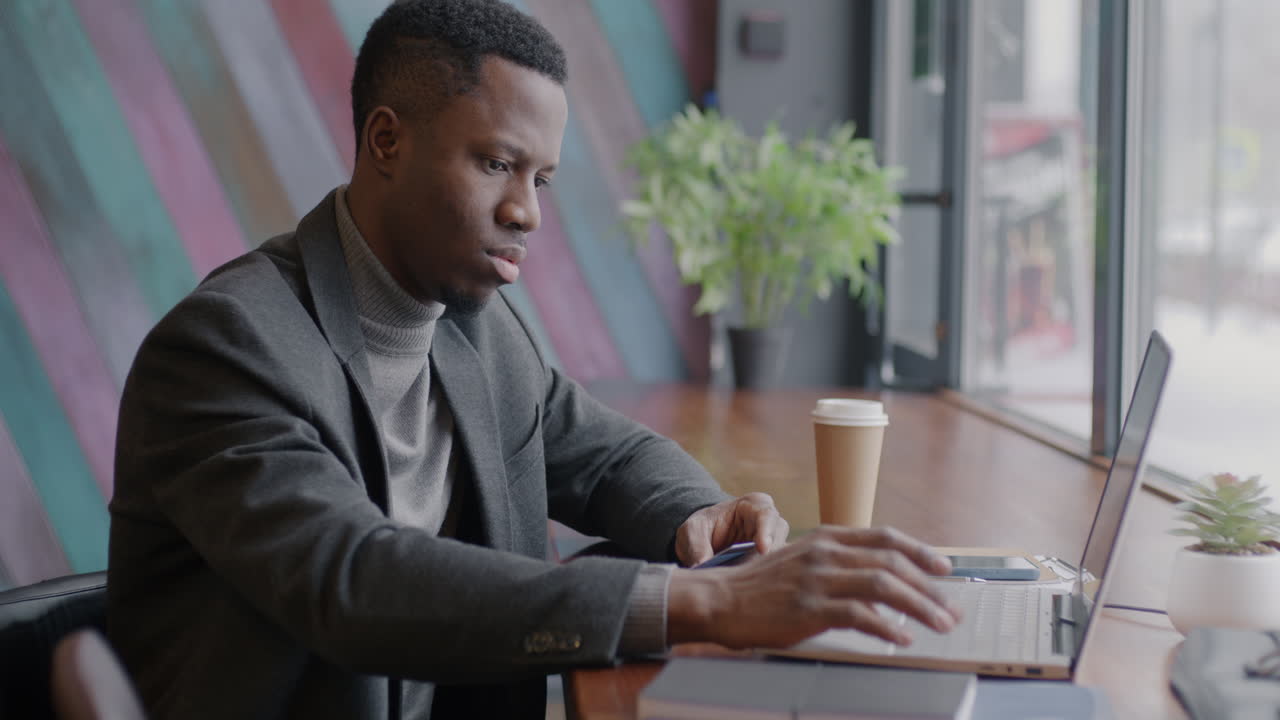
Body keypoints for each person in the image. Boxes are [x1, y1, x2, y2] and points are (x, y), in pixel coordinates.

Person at [106, 1, 960, 718]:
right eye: (496, 164)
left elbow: (607, 453)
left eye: (541, 179)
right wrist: (706, 603)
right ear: (386, 141)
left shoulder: (478, 325)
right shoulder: (225, 347)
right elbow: (353, 577)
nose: (527, 214)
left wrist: (712, 521)